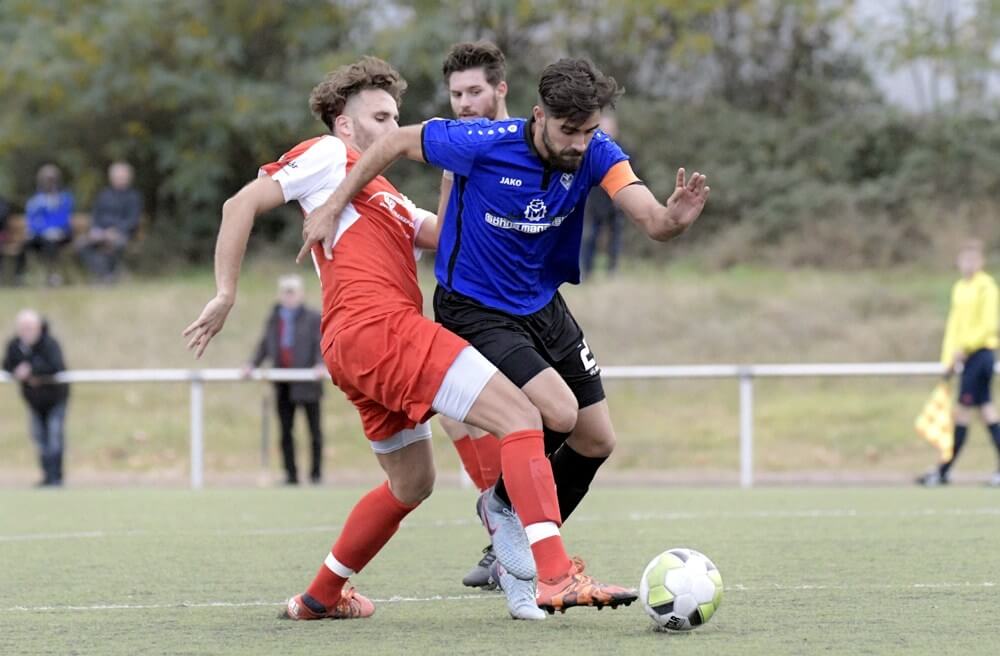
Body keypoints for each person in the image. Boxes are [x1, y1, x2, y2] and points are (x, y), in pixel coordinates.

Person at [184, 56, 634, 622]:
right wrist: (225, 292)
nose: (393, 127)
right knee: (522, 416)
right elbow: (240, 203)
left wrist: (463, 170)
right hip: (379, 329)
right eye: (380, 117)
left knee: (412, 481)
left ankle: (320, 596)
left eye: (396, 116)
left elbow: (448, 234)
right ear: (344, 124)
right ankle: (554, 574)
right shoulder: (330, 155)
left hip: (357, 349)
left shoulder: (390, 198)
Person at [301, 57, 708, 613]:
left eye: (589, 131)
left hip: (542, 305)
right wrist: (333, 203)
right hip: (475, 308)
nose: (579, 143)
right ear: (539, 117)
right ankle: (527, 541)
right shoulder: (482, 142)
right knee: (557, 412)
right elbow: (393, 142)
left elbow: (652, 220)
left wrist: (674, 220)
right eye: (569, 131)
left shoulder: (596, 152)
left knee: (596, 439)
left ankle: (507, 521)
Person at [435, 40, 509, 589]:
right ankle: (500, 530)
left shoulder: (522, 146)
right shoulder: (454, 149)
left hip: (509, 303)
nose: (463, 103)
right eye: (456, 93)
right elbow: (443, 229)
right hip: (460, 299)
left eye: (474, 91)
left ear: (500, 89)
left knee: (514, 417)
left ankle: (512, 534)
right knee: (453, 409)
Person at [918, 239, 1000, 486]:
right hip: (964, 357)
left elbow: (989, 326)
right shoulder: (959, 288)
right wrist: (949, 358)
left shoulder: (987, 288)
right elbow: (954, 327)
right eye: (964, 260)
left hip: (980, 355)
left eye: (973, 260)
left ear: (981, 262)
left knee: (963, 413)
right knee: (986, 411)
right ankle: (944, 469)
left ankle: (944, 469)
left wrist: (964, 349)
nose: (968, 264)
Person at [244, 274, 326, 485]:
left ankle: (316, 474)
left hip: (308, 383)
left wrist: (320, 364)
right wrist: (252, 364)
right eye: (286, 293)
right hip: (282, 384)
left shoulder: (312, 317)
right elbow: (265, 344)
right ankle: (291, 474)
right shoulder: (275, 318)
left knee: (314, 431)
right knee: (286, 431)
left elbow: (320, 343)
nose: (289, 297)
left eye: (292, 292)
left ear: (300, 294)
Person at [3, 310, 70, 486]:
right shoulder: (15, 345)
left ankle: (56, 477)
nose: (26, 331)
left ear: (39, 327)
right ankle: (47, 476)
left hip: (55, 399)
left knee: (54, 437)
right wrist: (17, 371)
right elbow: (7, 365)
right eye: (23, 328)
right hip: (34, 402)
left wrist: (33, 371)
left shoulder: (50, 344)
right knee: (39, 438)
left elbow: (56, 366)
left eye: (30, 327)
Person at [79, 161, 142, 283]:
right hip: (101, 233)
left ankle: (107, 276)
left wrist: (116, 231)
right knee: (82, 244)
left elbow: (133, 220)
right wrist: (95, 230)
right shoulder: (103, 195)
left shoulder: (133, 197)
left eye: (122, 177)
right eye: (116, 177)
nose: (119, 180)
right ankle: (105, 275)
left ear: (129, 178)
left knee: (115, 244)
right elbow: (95, 216)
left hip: (123, 234)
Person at [580, 112, 626, 277]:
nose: (608, 132)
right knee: (590, 237)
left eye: (610, 128)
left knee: (615, 238)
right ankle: (587, 271)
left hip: (616, 202)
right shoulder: (589, 151)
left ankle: (612, 270)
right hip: (595, 201)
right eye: (604, 128)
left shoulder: (623, 151)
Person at [16, 164, 74, 286]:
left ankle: (52, 275)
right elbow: (32, 220)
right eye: (46, 179)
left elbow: (63, 219)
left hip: (61, 235)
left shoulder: (64, 198)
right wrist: (42, 230)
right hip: (40, 235)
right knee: (25, 244)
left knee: (50, 243)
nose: (49, 183)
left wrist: (54, 230)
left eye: (52, 179)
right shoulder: (35, 200)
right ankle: (20, 276)